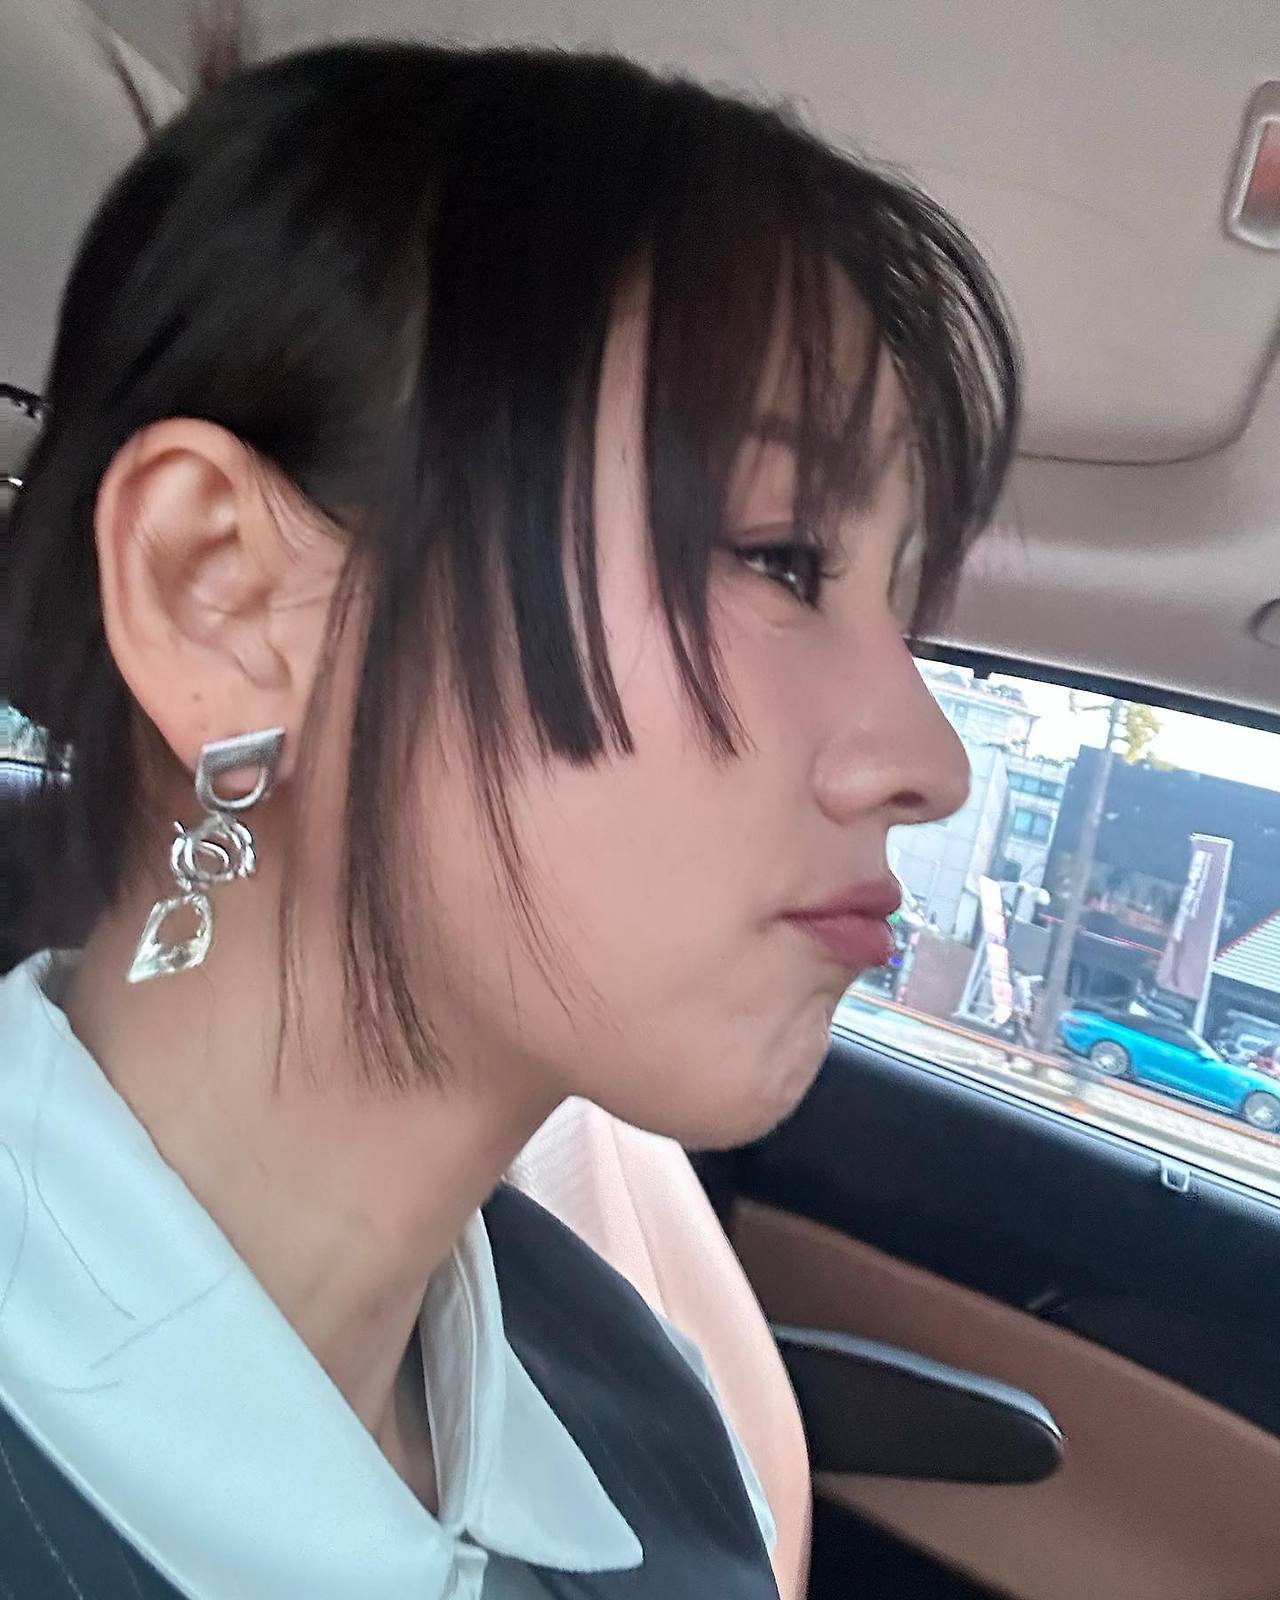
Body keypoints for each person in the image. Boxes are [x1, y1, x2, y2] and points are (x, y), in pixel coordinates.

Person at [0, 20, 1018, 1600]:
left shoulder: (641, 1406)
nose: (929, 762)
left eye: (908, 614)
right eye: (780, 557)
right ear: (225, 599)